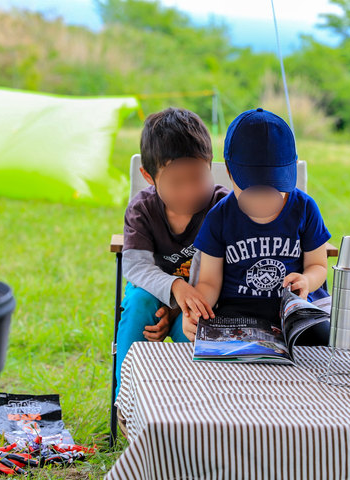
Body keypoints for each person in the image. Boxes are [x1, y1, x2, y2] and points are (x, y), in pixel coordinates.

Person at [182, 108, 331, 341]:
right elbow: (209, 282)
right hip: (239, 310)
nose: (264, 198)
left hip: (293, 309)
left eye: (276, 186)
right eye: (253, 189)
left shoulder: (305, 208)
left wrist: (307, 280)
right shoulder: (219, 217)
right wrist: (197, 311)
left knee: (323, 339)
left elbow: (319, 266)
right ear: (229, 172)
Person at [116, 107, 229, 394]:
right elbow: (136, 267)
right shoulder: (142, 210)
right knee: (139, 305)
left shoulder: (221, 207)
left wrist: (177, 308)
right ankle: (126, 401)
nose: (190, 191)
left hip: (202, 301)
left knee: (190, 329)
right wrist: (174, 289)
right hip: (152, 291)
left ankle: (188, 413)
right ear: (149, 176)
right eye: (177, 182)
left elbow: (222, 272)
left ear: (210, 164)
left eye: (198, 177)